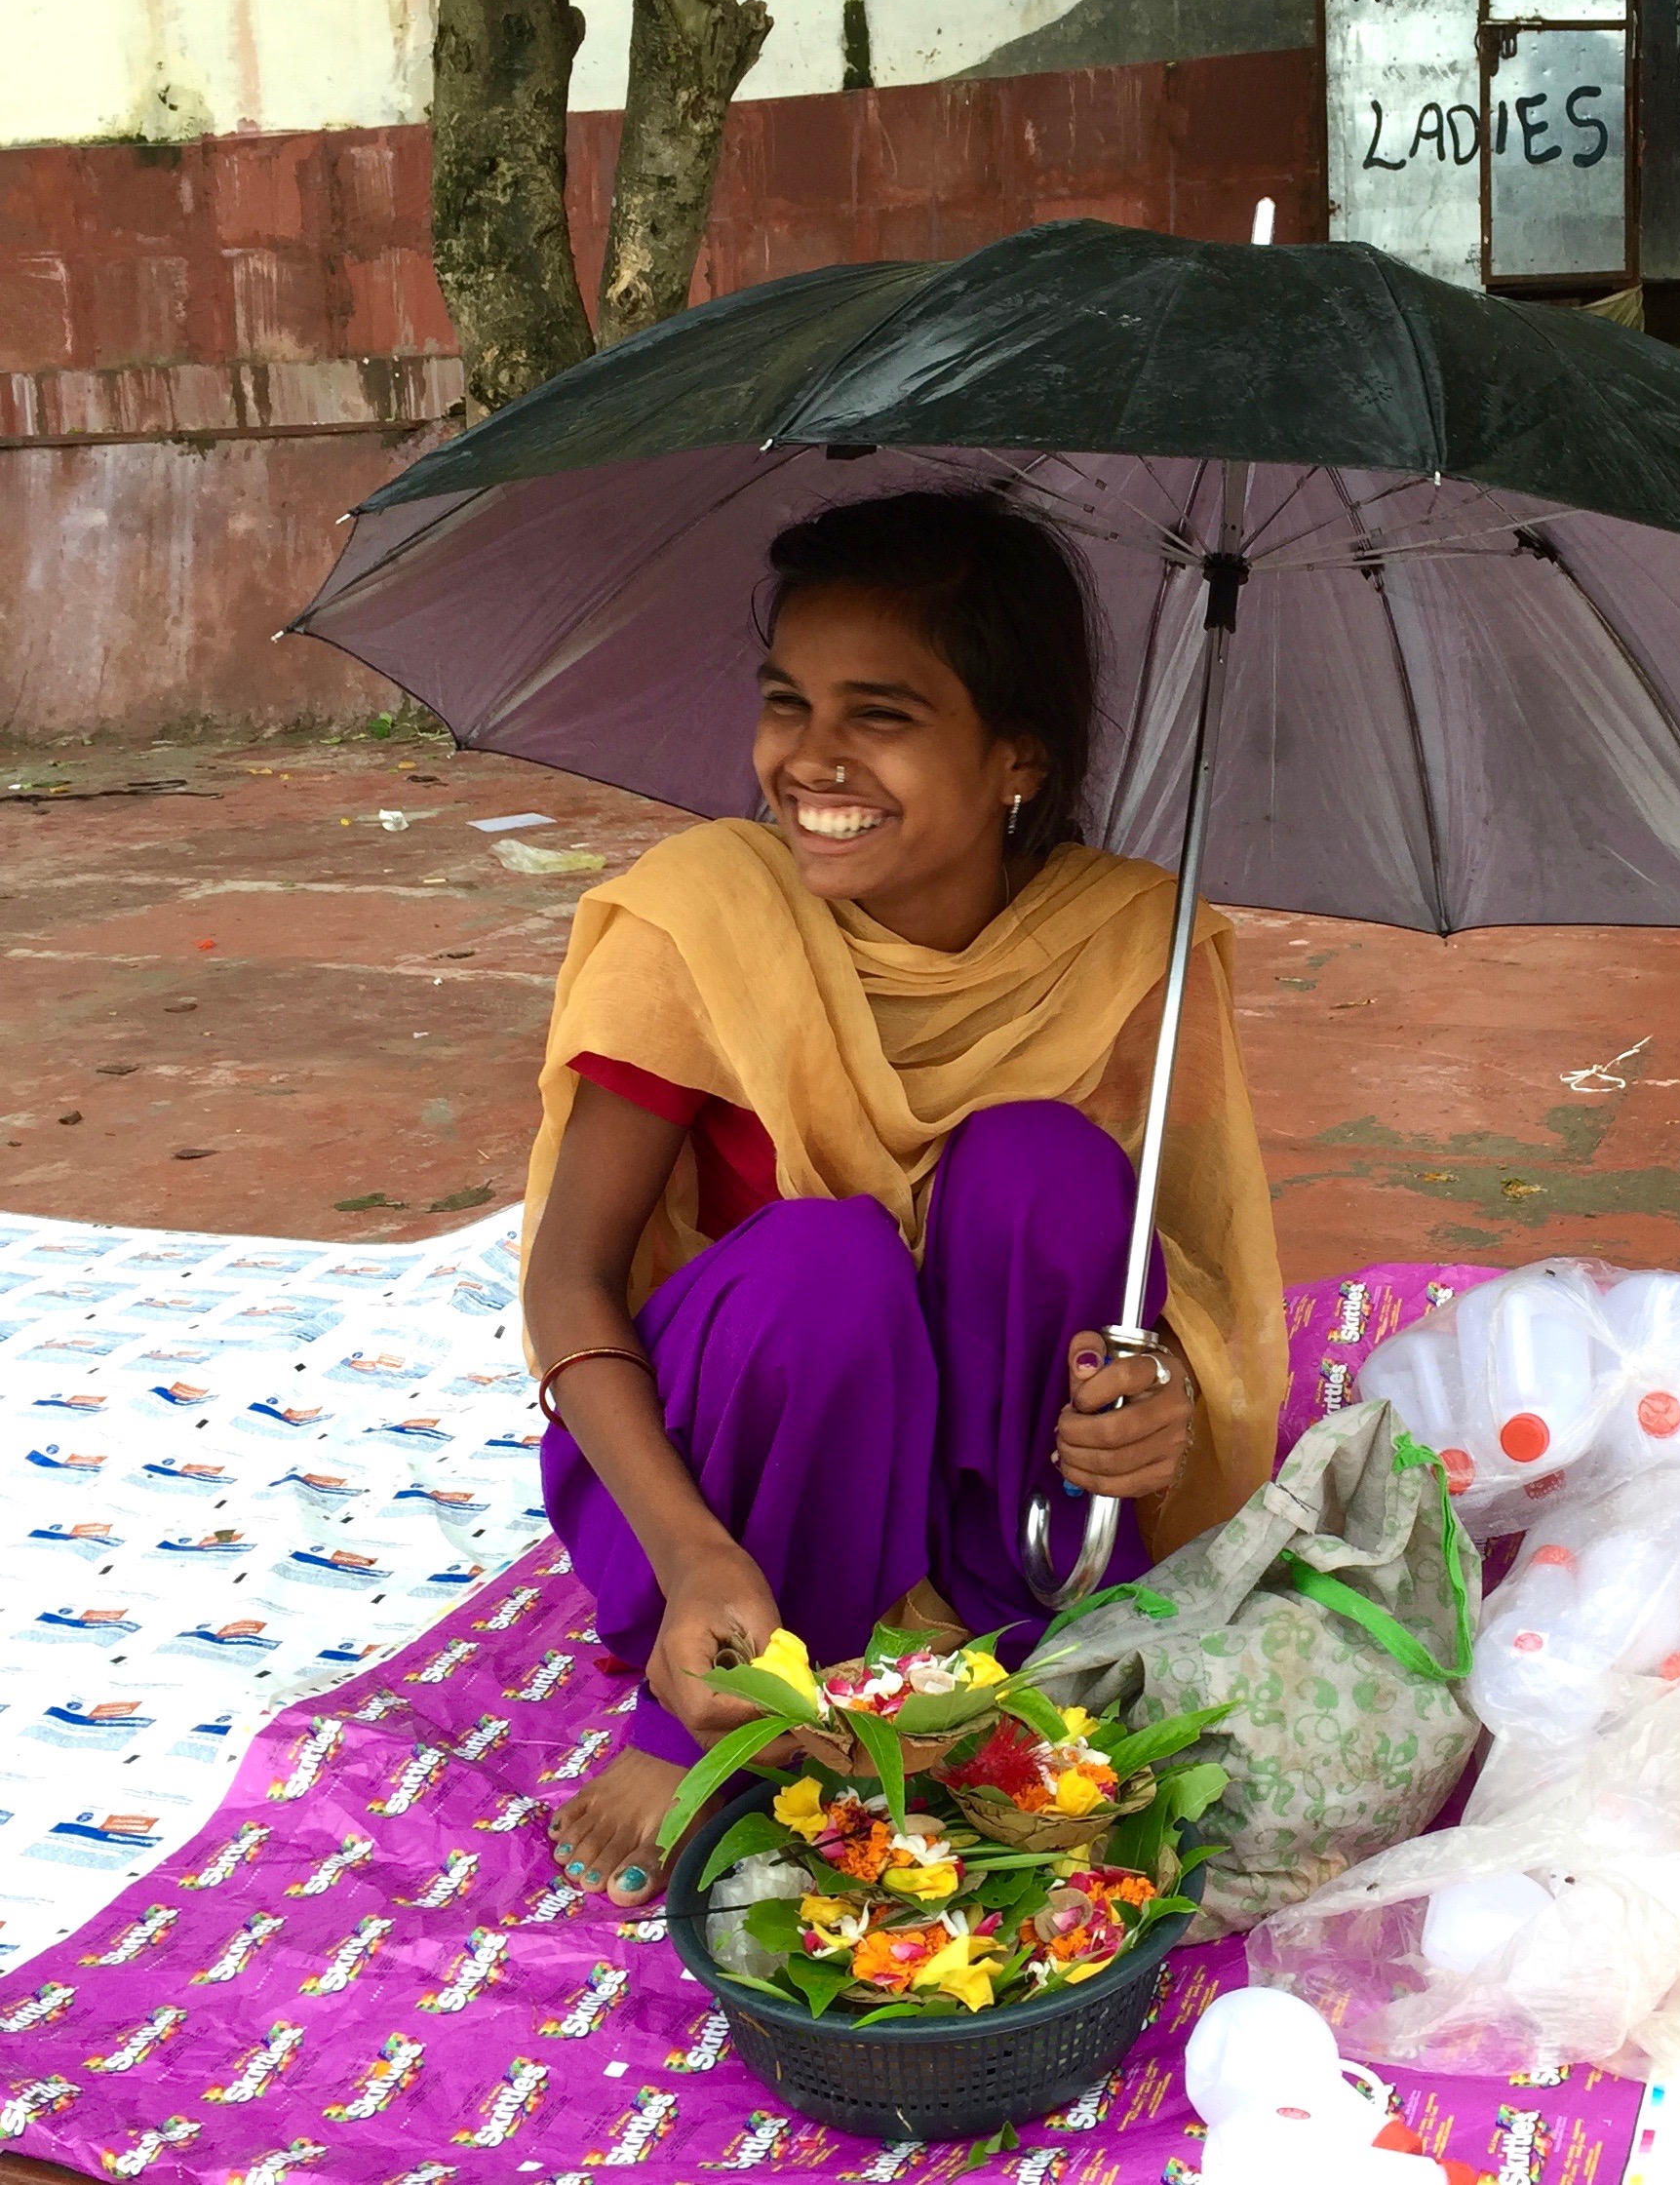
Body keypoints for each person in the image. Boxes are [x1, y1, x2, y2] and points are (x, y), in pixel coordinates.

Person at [520, 486, 1286, 1906]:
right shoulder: (702, 920)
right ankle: (726, 1709)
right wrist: (690, 1556)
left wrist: (1155, 1401)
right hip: (731, 1479)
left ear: (1014, 761)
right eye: (785, 703)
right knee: (825, 1263)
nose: (810, 759)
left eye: (878, 714)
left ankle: (992, 1659)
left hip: (993, 1497)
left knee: (1045, 1169)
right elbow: (569, 1278)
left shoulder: (1125, 945)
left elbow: (1167, 1277)